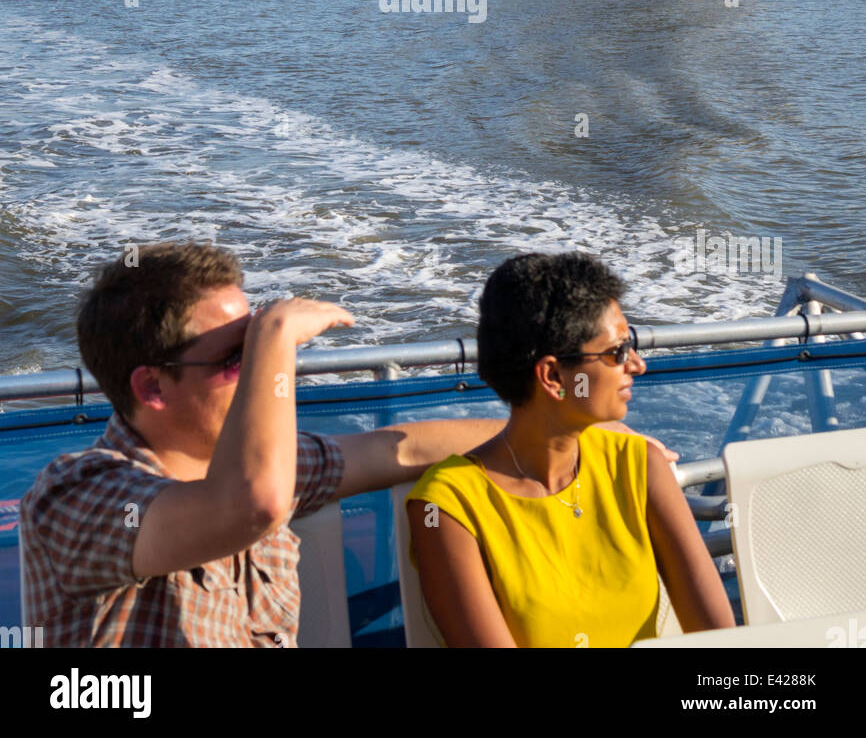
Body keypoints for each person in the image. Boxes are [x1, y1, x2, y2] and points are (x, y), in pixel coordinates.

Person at [19, 241, 516, 648]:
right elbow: (252, 504)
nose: (264, 369)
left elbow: (399, 450)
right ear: (152, 388)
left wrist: (565, 432)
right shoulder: (79, 495)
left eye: (258, 343)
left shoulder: (266, 465)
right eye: (240, 356)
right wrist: (276, 333)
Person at [407, 252, 735, 648]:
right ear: (554, 376)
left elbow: (720, 642)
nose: (637, 365)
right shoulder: (443, 509)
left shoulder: (638, 465)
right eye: (617, 352)